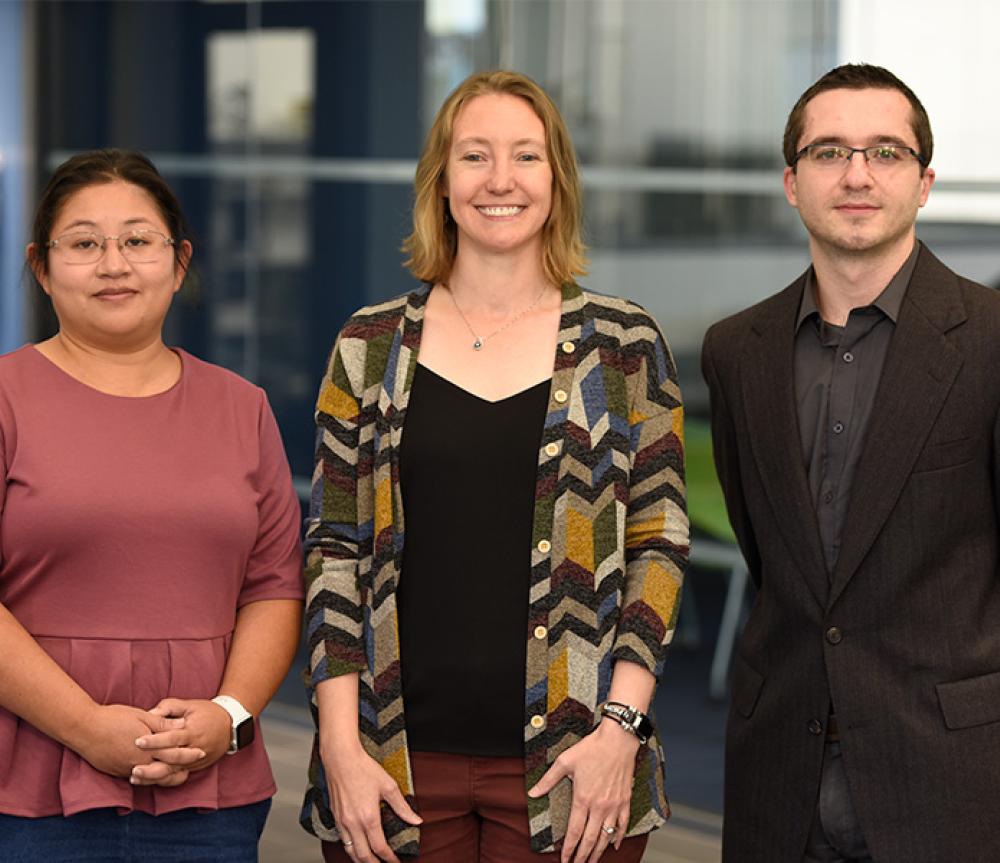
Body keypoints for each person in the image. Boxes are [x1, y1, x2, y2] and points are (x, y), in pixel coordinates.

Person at [299, 70, 688, 863]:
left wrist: (622, 729)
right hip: (392, 762)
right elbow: (333, 550)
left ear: (558, 181)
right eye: (475, 156)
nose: (501, 180)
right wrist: (340, 743)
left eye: (526, 157)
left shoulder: (624, 345)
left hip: (575, 765)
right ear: (441, 183)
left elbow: (659, 542)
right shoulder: (369, 347)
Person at [702, 63, 1000, 863]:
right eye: (830, 152)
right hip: (779, 776)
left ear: (926, 180)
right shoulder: (736, 351)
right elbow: (769, 554)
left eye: (886, 153)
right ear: (792, 182)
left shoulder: (990, 341)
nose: (858, 174)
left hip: (947, 776)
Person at [0, 149, 304, 861]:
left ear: (178, 260)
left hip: (212, 790)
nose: (114, 263)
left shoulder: (242, 407)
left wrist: (227, 717)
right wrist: (84, 725)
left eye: (138, 240)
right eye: (84, 243)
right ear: (42, 266)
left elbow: (274, 586)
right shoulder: (7, 399)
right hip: (30, 789)